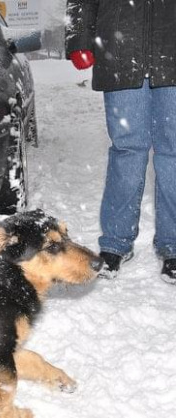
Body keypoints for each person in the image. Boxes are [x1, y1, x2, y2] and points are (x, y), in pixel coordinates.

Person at [65, 0, 176, 284]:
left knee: (173, 152)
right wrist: (79, 39)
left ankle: (173, 244)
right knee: (127, 150)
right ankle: (115, 243)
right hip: (120, 54)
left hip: (172, 51)